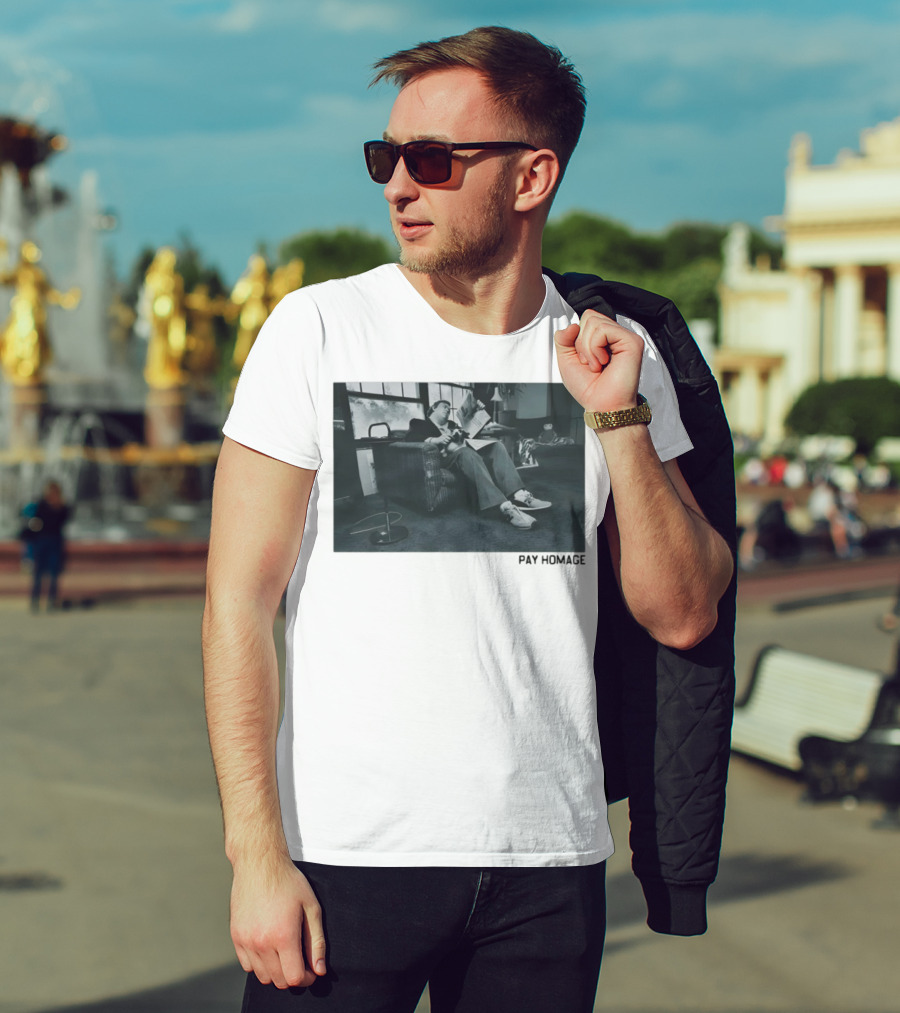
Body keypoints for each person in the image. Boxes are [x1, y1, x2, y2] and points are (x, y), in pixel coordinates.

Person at [203, 26, 734, 1013]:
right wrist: (256, 854)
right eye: (385, 158)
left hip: (548, 863)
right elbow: (240, 606)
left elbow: (685, 611)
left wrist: (618, 416)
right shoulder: (318, 328)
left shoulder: (616, 356)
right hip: (344, 862)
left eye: (433, 160)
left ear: (532, 176)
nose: (399, 185)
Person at [406, 399, 550, 528]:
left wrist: (478, 414)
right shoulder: (420, 424)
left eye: (449, 408)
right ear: (433, 408)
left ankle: (520, 495)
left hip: (465, 452)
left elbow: (472, 435)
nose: (448, 409)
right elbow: (410, 438)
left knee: (497, 446)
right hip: (446, 459)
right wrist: (435, 440)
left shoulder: (453, 425)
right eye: (444, 406)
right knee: (466, 452)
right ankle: (505, 507)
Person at [24, 480, 70, 612]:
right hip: (41, 541)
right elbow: (33, 519)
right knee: (38, 572)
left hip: (55, 541)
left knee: (54, 572)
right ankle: (35, 600)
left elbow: (64, 520)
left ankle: (51, 600)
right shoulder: (41, 504)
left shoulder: (62, 507)